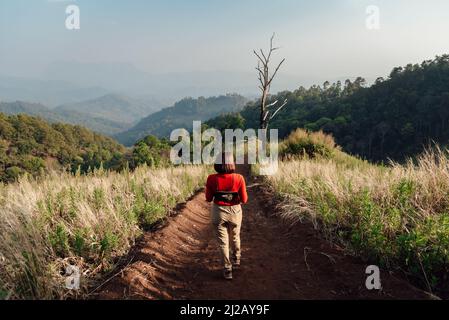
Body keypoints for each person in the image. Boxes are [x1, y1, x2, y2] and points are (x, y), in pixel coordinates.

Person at [205, 152, 248, 280]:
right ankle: (237, 258)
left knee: (223, 243)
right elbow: (244, 200)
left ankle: (227, 269)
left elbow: (208, 198)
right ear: (232, 163)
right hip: (235, 211)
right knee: (235, 236)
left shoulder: (211, 178)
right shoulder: (239, 178)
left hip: (218, 212)